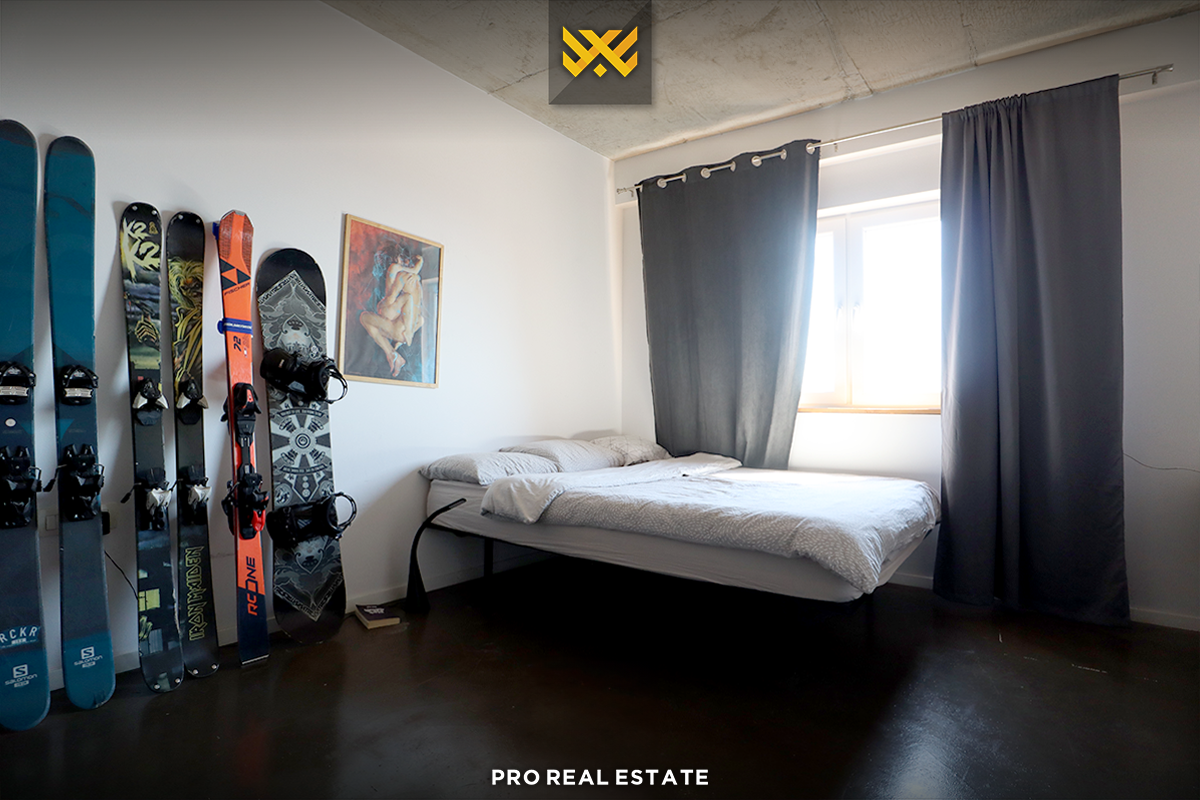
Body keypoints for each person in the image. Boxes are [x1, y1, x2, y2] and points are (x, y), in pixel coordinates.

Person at [359, 244, 424, 377]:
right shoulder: (414, 280)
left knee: (364, 317)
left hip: (399, 328)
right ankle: (393, 355)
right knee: (374, 323)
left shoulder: (399, 274)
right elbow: (419, 318)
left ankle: (392, 353)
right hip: (404, 329)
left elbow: (394, 300)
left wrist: (385, 303)